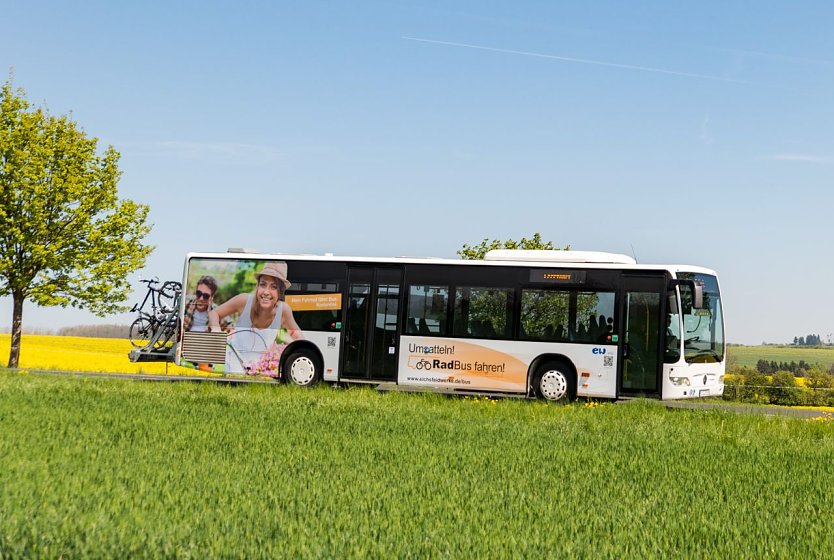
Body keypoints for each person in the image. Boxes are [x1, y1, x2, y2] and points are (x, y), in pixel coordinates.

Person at [208, 261, 303, 374]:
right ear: (257, 286)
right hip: (233, 360)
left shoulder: (283, 310)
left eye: (273, 287)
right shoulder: (243, 301)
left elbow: (296, 334)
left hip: (260, 367)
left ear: (280, 292)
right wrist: (216, 331)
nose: (266, 292)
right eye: (263, 284)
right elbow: (214, 313)